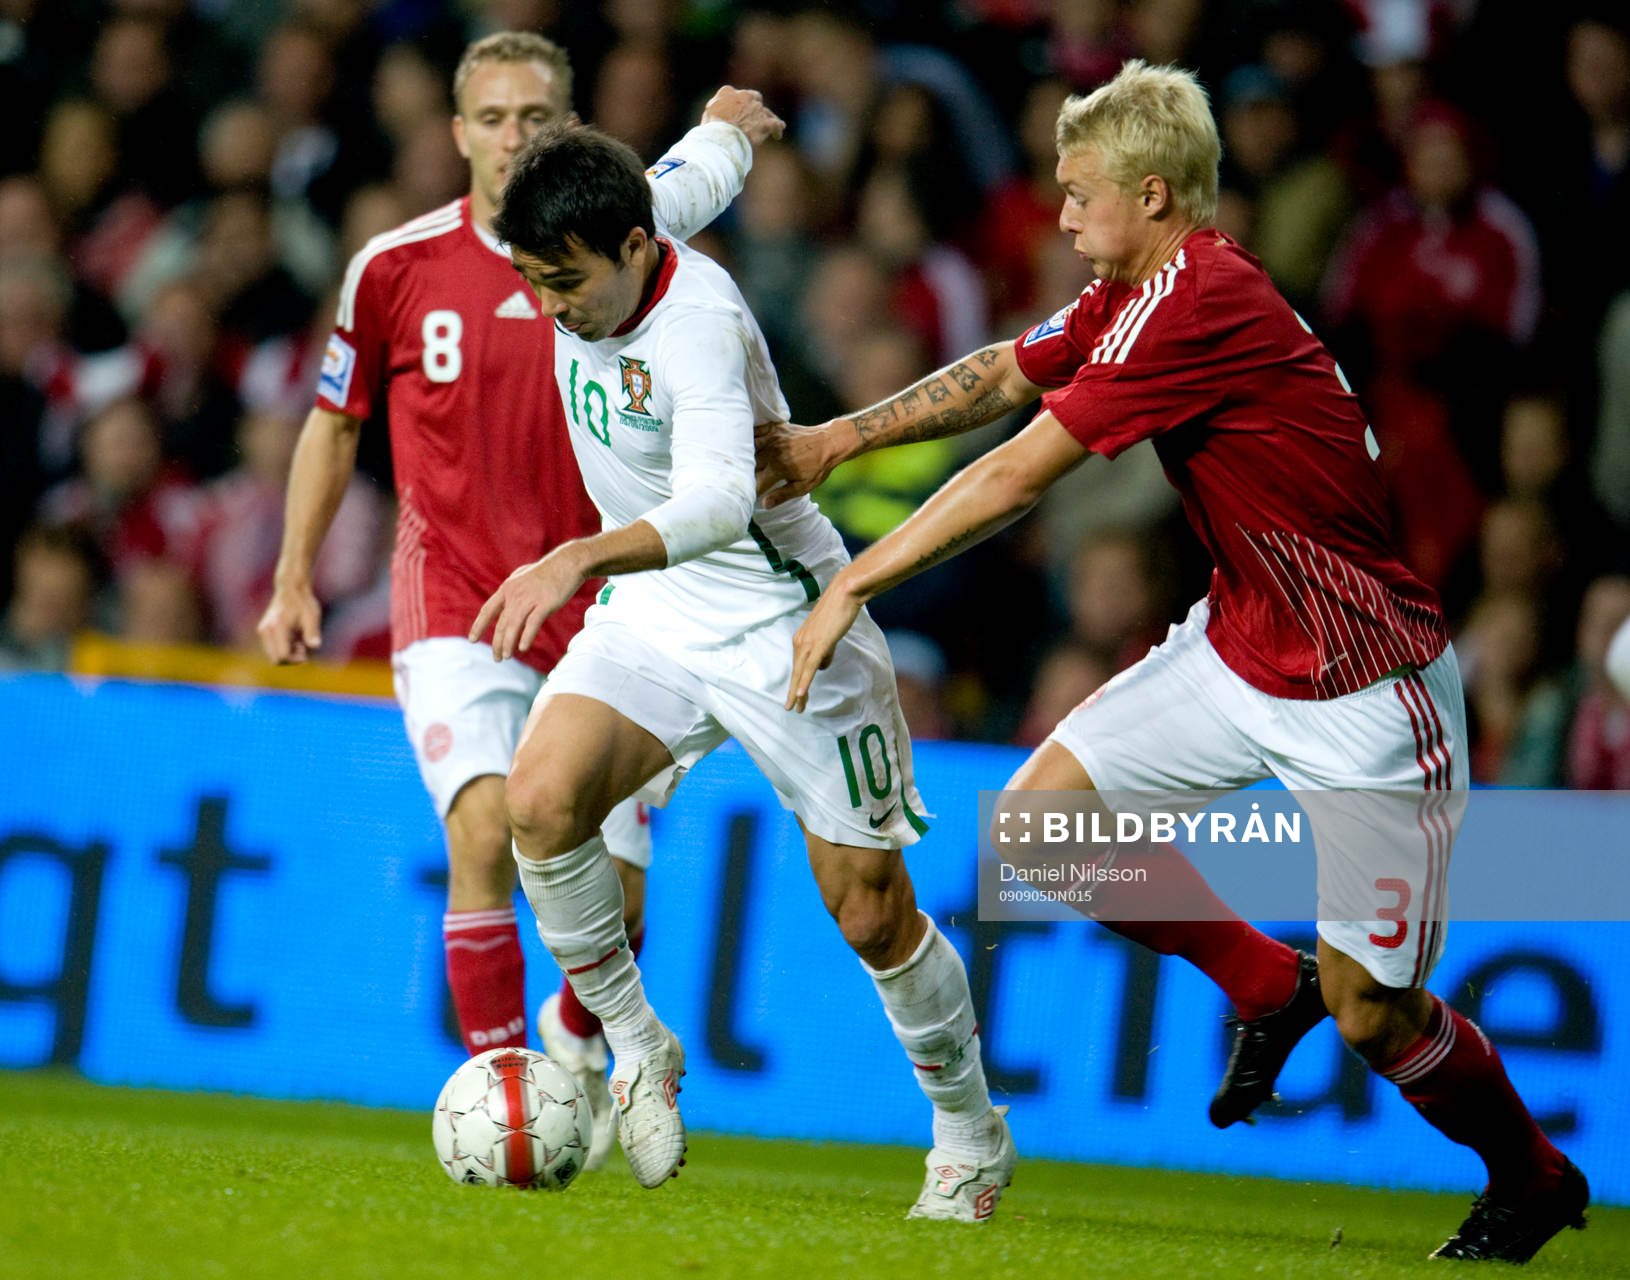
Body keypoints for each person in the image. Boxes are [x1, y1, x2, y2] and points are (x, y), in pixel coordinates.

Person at [759, 60, 1587, 1264]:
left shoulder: (1195, 302)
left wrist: (852, 576)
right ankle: (1264, 982)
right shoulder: (1131, 291)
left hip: (1366, 691)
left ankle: (1534, 1175)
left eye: (1080, 194)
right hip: (1239, 642)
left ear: (1153, 194)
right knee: (1035, 827)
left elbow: (1016, 474)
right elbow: (1002, 368)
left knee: (1377, 1010)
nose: (1060, 217)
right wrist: (843, 434)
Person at [255, 31, 783, 1171]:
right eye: (491, 118)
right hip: (454, 588)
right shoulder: (393, 267)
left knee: (620, 899)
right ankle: (505, 1097)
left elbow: (696, 173)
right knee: (488, 826)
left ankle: (576, 1039)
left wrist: (731, 130)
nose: (513, 138)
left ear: (570, 125)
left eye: (535, 117)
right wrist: (294, 571)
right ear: (456, 134)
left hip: (615, 601)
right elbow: (334, 421)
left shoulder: (618, 241)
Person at [473, 122, 1013, 1219]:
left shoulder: (701, 323)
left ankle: (969, 1127)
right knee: (536, 801)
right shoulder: (625, 221)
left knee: (867, 911)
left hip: (782, 614)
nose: (552, 308)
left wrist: (577, 551)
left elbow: (721, 501)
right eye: (532, 282)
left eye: (567, 283)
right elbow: (693, 170)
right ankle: (638, 1046)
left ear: (631, 248)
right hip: (658, 610)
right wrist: (730, 120)